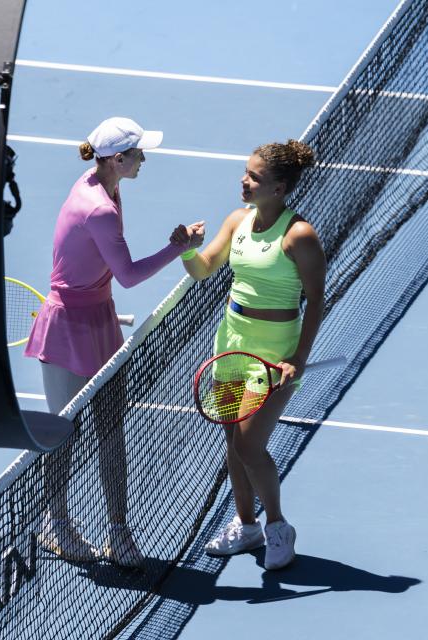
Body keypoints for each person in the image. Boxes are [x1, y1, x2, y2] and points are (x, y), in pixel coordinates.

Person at [24, 116, 204, 566]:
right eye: (139, 153)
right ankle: (56, 524)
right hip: (67, 329)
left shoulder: (104, 183)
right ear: (118, 159)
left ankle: (119, 533)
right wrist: (177, 248)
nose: (144, 158)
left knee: (111, 433)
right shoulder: (98, 206)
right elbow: (127, 276)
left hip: (99, 319)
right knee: (61, 435)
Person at [181, 139, 326, 570]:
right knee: (232, 438)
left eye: (255, 177)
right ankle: (247, 528)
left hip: (275, 354)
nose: (244, 181)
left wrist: (298, 358)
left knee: (249, 444)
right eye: (246, 172)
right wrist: (185, 248)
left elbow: (316, 302)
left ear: (279, 188)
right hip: (231, 345)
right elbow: (204, 267)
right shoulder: (237, 221)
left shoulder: (299, 235)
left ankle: (278, 526)